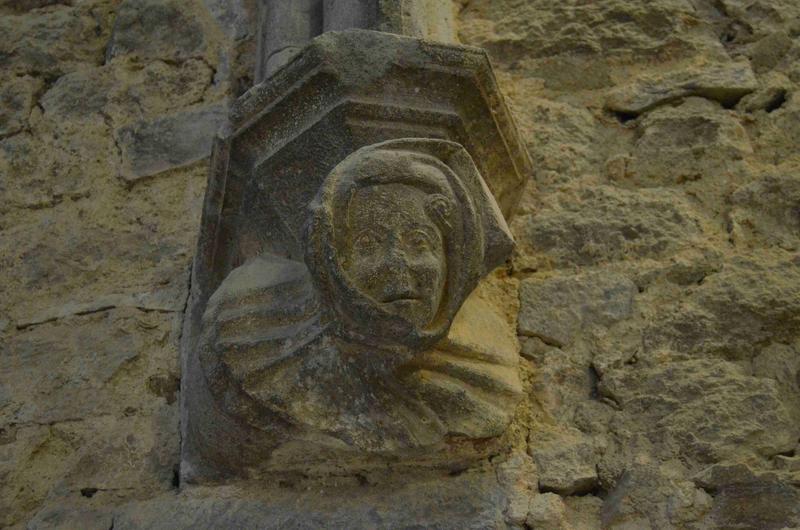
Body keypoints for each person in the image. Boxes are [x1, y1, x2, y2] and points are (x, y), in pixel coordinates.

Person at [198, 139, 521, 454]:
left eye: (419, 243)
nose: (397, 265)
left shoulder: (487, 374)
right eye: (368, 245)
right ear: (329, 258)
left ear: (454, 258)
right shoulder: (257, 341)